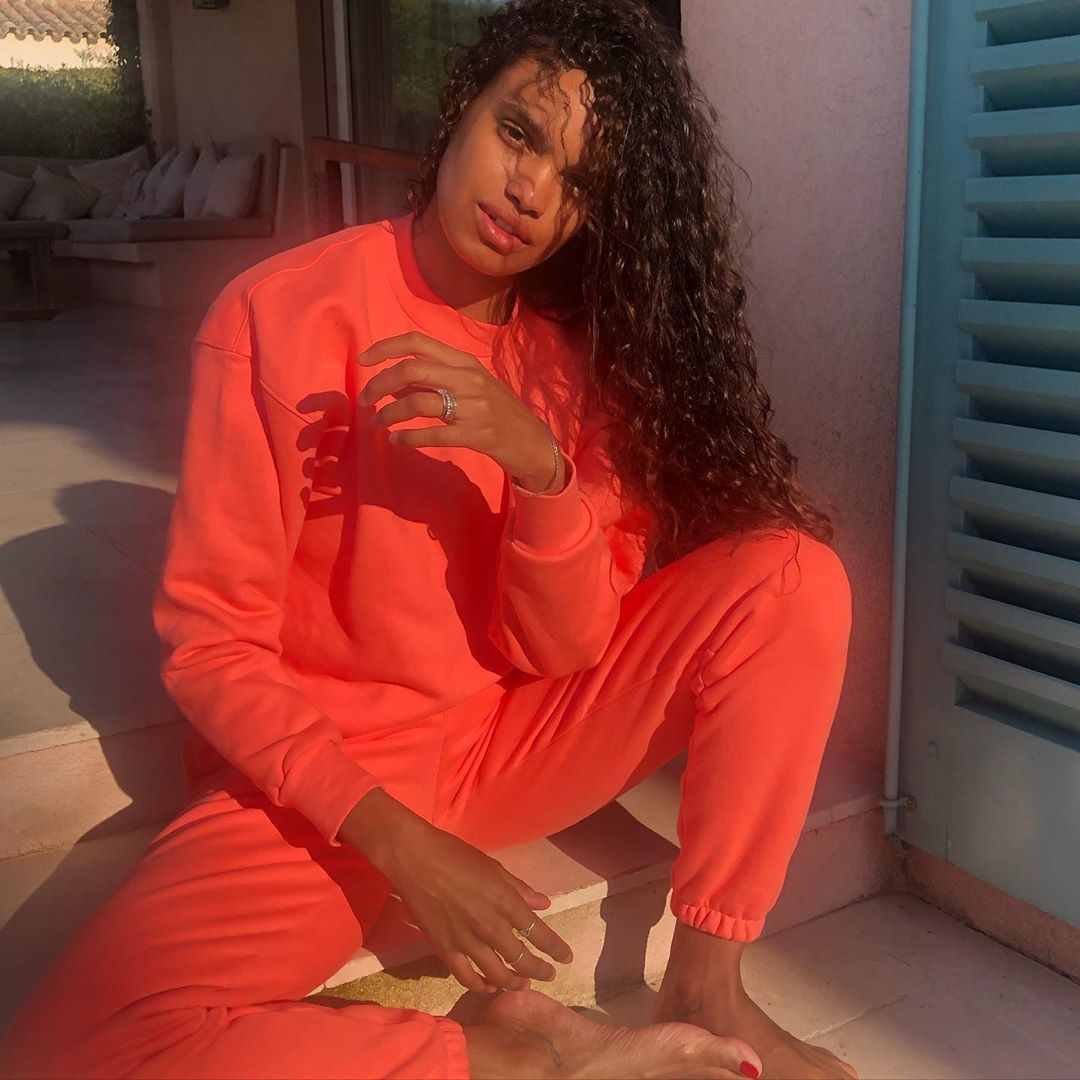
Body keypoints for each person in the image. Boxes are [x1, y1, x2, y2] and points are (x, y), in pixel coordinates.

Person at [0, 1, 859, 1077]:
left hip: (509, 740)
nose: (531, 190)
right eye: (519, 133)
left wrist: (541, 468)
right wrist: (394, 836)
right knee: (63, 1048)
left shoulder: (577, 368)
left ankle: (707, 981)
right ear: (459, 112)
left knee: (793, 579)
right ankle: (508, 1054)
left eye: (579, 183)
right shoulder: (276, 315)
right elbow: (212, 646)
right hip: (329, 775)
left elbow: (564, 650)